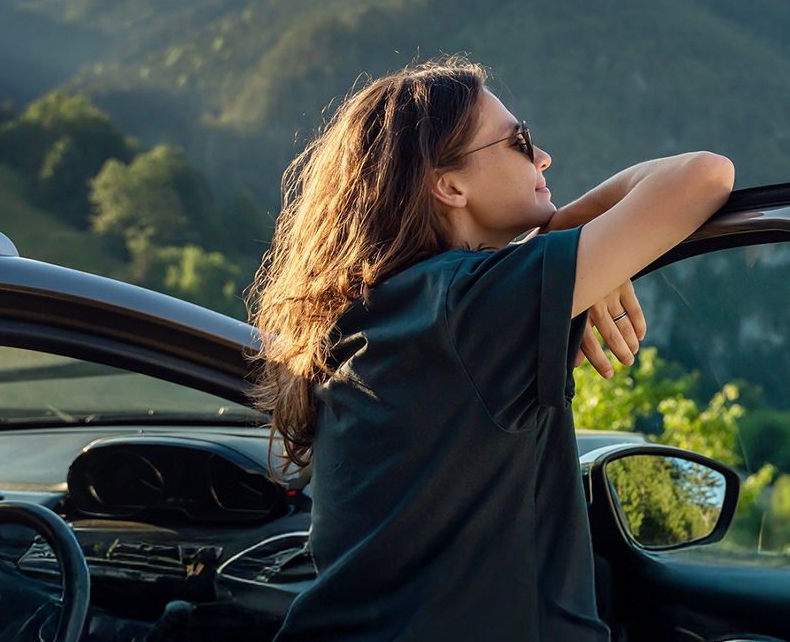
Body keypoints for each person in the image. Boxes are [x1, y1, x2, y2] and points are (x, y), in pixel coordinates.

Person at [248, 55, 734, 641]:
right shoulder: (469, 305)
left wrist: (568, 249)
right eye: (520, 142)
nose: (543, 157)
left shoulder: (381, 312)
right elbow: (705, 176)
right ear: (449, 184)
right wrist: (568, 238)